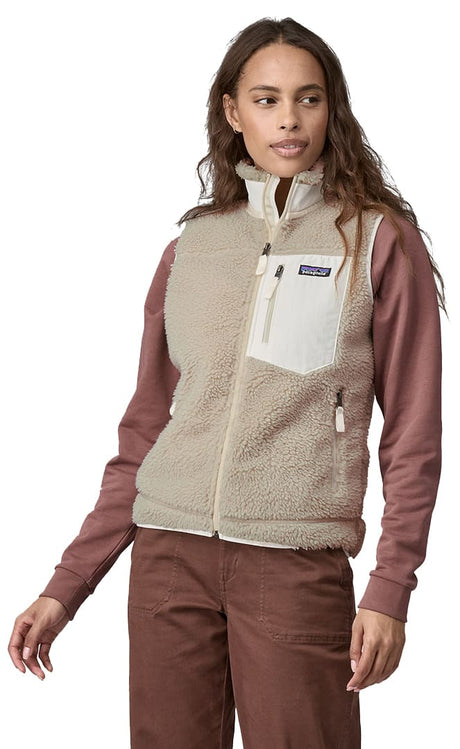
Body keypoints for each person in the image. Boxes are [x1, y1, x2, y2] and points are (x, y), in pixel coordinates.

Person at [8, 16, 445, 749]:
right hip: (167, 560)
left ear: (332, 109)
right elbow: (145, 431)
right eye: (267, 100)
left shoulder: (375, 240)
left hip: (293, 562)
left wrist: (391, 585)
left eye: (309, 98)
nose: (289, 119)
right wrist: (67, 584)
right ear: (233, 111)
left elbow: (413, 433)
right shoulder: (193, 246)